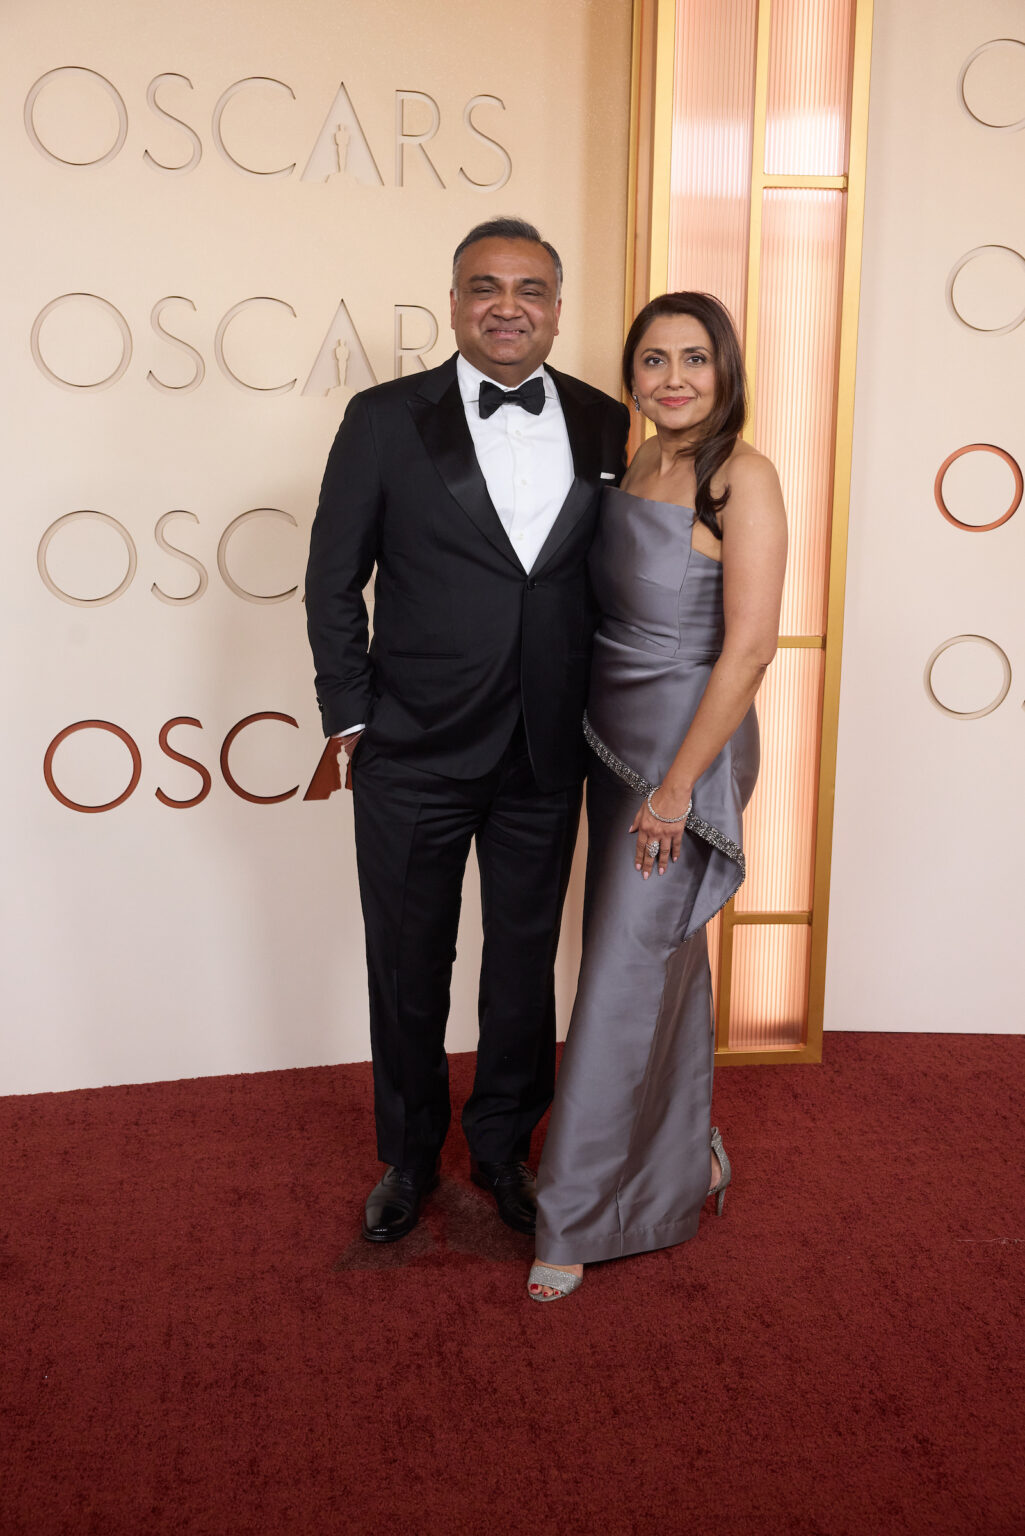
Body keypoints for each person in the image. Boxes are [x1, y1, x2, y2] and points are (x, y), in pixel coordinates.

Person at [305, 217, 630, 1244]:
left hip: (547, 748)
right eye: (485, 287)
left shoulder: (605, 421)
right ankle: (408, 1158)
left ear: (556, 308)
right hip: (411, 750)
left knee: (523, 966)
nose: (507, 306)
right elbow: (331, 580)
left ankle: (501, 1150)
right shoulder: (381, 419)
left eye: (529, 290)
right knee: (408, 965)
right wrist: (353, 718)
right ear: (453, 304)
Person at [527, 292, 787, 1300]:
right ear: (631, 374)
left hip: (684, 756)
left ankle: (578, 1213)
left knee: (623, 973)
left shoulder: (740, 476)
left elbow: (750, 648)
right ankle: (683, 1161)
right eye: (652, 359)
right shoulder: (635, 462)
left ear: (724, 371)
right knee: (651, 962)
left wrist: (678, 791)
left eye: (693, 358)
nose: (672, 378)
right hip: (609, 743)